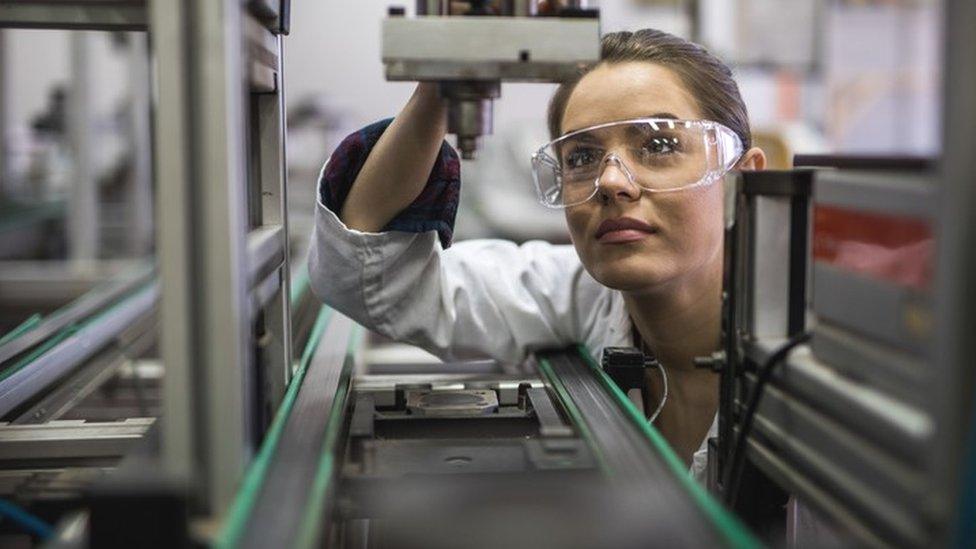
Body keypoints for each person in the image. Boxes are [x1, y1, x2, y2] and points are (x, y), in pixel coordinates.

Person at [308, 29, 766, 480]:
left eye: (659, 145)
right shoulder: (579, 294)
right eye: (582, 157)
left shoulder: (818, 355)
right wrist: (440, 91)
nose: (610, 181)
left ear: (743, 183)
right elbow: (369, 278)